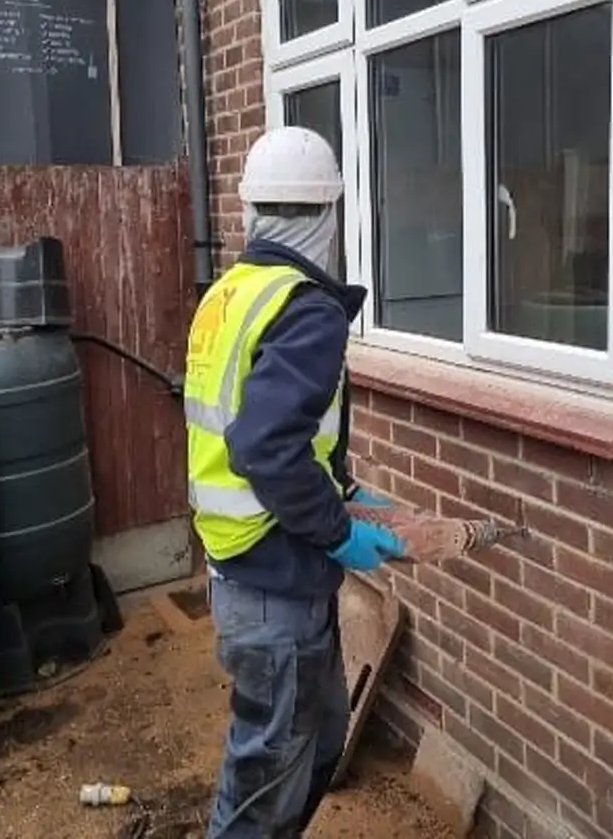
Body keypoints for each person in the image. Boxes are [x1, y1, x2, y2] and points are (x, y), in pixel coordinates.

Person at [184, 126, 404, 839]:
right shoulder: (305, 307)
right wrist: (339, 532)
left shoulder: (228, 295)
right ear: (330, 215)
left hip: (244, 570)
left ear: (251, 209)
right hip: (273, 580)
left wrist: (338, 487)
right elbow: (264, 445)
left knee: (317, 743)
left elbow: (262, 429)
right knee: (265, 786)